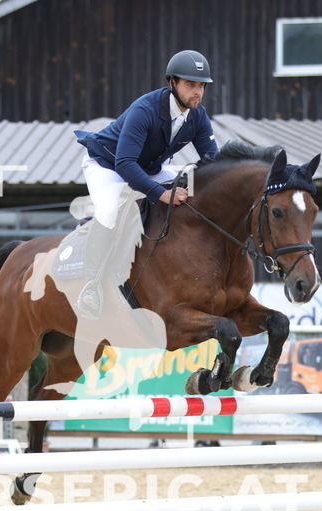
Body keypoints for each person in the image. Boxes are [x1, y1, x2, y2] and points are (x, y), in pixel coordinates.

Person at [71, 50, 219, 319]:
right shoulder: (145, 110)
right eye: (190, 85)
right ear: (172, 82)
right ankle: (91, 287)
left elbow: (213, 161)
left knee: (190, 200)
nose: (197, 92)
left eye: (201, 86)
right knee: (110, 212)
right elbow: (125, 165)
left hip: (150, 169)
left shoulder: (198, 116)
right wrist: (161, 194)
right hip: (107, 165)